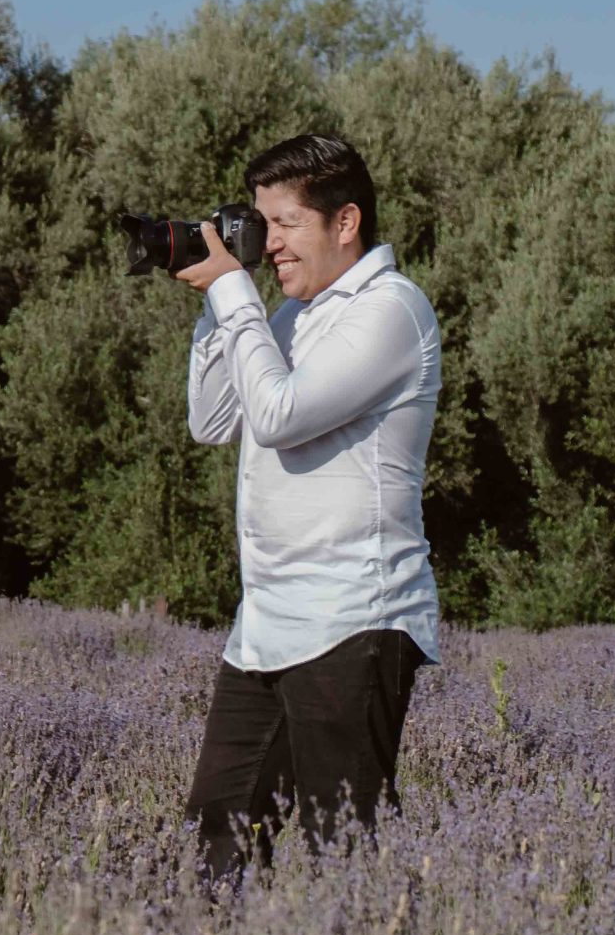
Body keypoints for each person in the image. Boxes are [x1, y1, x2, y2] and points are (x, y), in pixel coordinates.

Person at [175, 133, 441, 879]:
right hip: (265, 624)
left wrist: (235, 297)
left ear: (345, 221)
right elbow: (212, 419)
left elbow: (284, 413)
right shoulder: (289, 315)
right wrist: (218, 302)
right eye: (260, 222)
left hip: (354, 616)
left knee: (344, 857)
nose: (268, 241)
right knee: (213, 847)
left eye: (285, 222)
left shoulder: (392, 310)